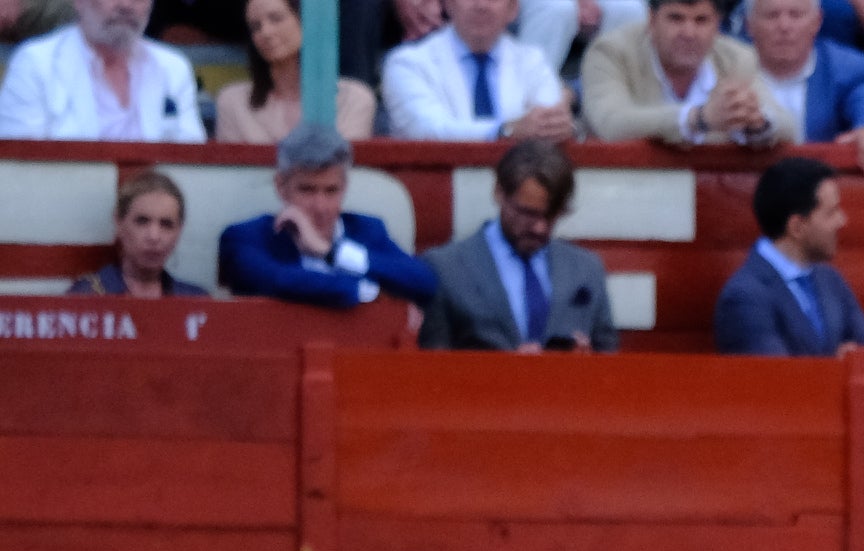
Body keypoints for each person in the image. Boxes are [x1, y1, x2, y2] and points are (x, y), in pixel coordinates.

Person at [218, 122, 439, 310]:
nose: (320, 206)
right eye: (307, 190)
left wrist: (332, 252)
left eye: (331, 191)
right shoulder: (246, 237)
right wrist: (369, 291)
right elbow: (279, 281)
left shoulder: (367, 230)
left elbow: (424, 282)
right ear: (281, 187)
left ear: (344, 188)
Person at [423, 138, 616, 350]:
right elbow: (430, 363)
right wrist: (508, 367)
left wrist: (587, 364)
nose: (540, 228)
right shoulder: (446, 268)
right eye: (528, 213)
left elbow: (609, 356)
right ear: (499, 193)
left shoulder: (586, 269)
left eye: (551, 216)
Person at [716, 153, 864, 355]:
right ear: (797, 227)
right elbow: (773, 373)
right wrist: (839, 366)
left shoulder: (830, 279)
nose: (842, 221)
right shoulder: (744, 296)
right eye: (831, 213)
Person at [0, 0, 206, 139]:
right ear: (78, 2)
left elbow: (191, 163)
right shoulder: (35, 63)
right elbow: (22, 168)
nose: (126, 5)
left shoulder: (173, 68)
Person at [584, 0, 778, 143]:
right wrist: (697, 118)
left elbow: (785, 124)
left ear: (717, 25)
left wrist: (756, 122)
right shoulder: (610, 52)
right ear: (652, 20)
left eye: (701, 20)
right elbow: (611, 123)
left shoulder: (737, 58)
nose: (688, 33)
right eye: (676, 19)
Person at [378, 0, 569, 138]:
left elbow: (547, 124)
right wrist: (505, 131)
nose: (481, 5)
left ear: (513, 9)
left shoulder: (534, 61)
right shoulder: (407, 63)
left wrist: (556, 126)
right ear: (448, 5)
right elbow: (429, 130)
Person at [747, 0, 864, 163]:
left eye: (795, 15)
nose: (784, 26)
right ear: (749, 25)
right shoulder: (729, 67)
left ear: (817, 22)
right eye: (772, 16)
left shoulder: (849, 68)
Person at [216, 0, 377, 139]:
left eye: (276, 19)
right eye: (255, 27)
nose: (265, 32)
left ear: (306, 20)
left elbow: (343, 162)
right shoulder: (233, 102)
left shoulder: (353, 99)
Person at [67, 168, 206, 294]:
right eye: (142, 221)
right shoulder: (86, 295)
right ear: (119, 223)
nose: (154, 236)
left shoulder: (196, 300)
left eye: (166, 224)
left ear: (179, 230)